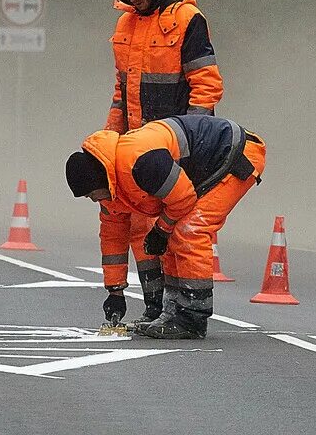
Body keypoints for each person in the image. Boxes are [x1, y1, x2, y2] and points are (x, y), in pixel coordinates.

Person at [65, 114, 266, 340]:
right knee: (171, 234)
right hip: (207, 163)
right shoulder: (112, 187)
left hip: (234, 152)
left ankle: (191, 318)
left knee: (190, 230)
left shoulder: (139, 160)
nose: (93, 200)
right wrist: (115, 291)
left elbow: (183, 200)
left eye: (91, 194)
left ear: (99, 179)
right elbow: (113, 238)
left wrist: (161, 229)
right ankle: (171, 312)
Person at [103, 0, 224, 324]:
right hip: (139, 141)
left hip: (178, 141)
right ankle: (156, 306)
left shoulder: (186, 19)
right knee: (142, 224)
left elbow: (205, 83)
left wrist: (193, 137)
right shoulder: (125, 24)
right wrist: (111, 141)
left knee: (178, 222)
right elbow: (122, 91)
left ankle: (182, 310)